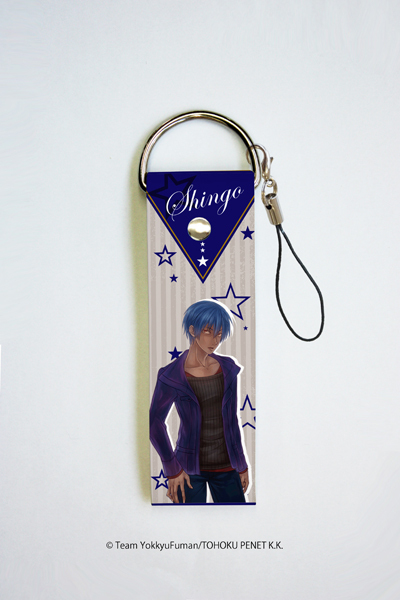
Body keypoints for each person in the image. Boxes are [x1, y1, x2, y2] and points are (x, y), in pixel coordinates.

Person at [150, 299, 249, 503]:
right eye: (208, 331)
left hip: (228, 466)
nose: (215, 339)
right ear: (192, 330)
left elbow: (232, 421)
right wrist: (172, 469)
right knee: (187, 521)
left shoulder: (228, 369)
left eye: (219, 333)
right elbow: (154, 423)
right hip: (187, 470)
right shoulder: (171, 375)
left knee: (236, 519)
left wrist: (241, 464)